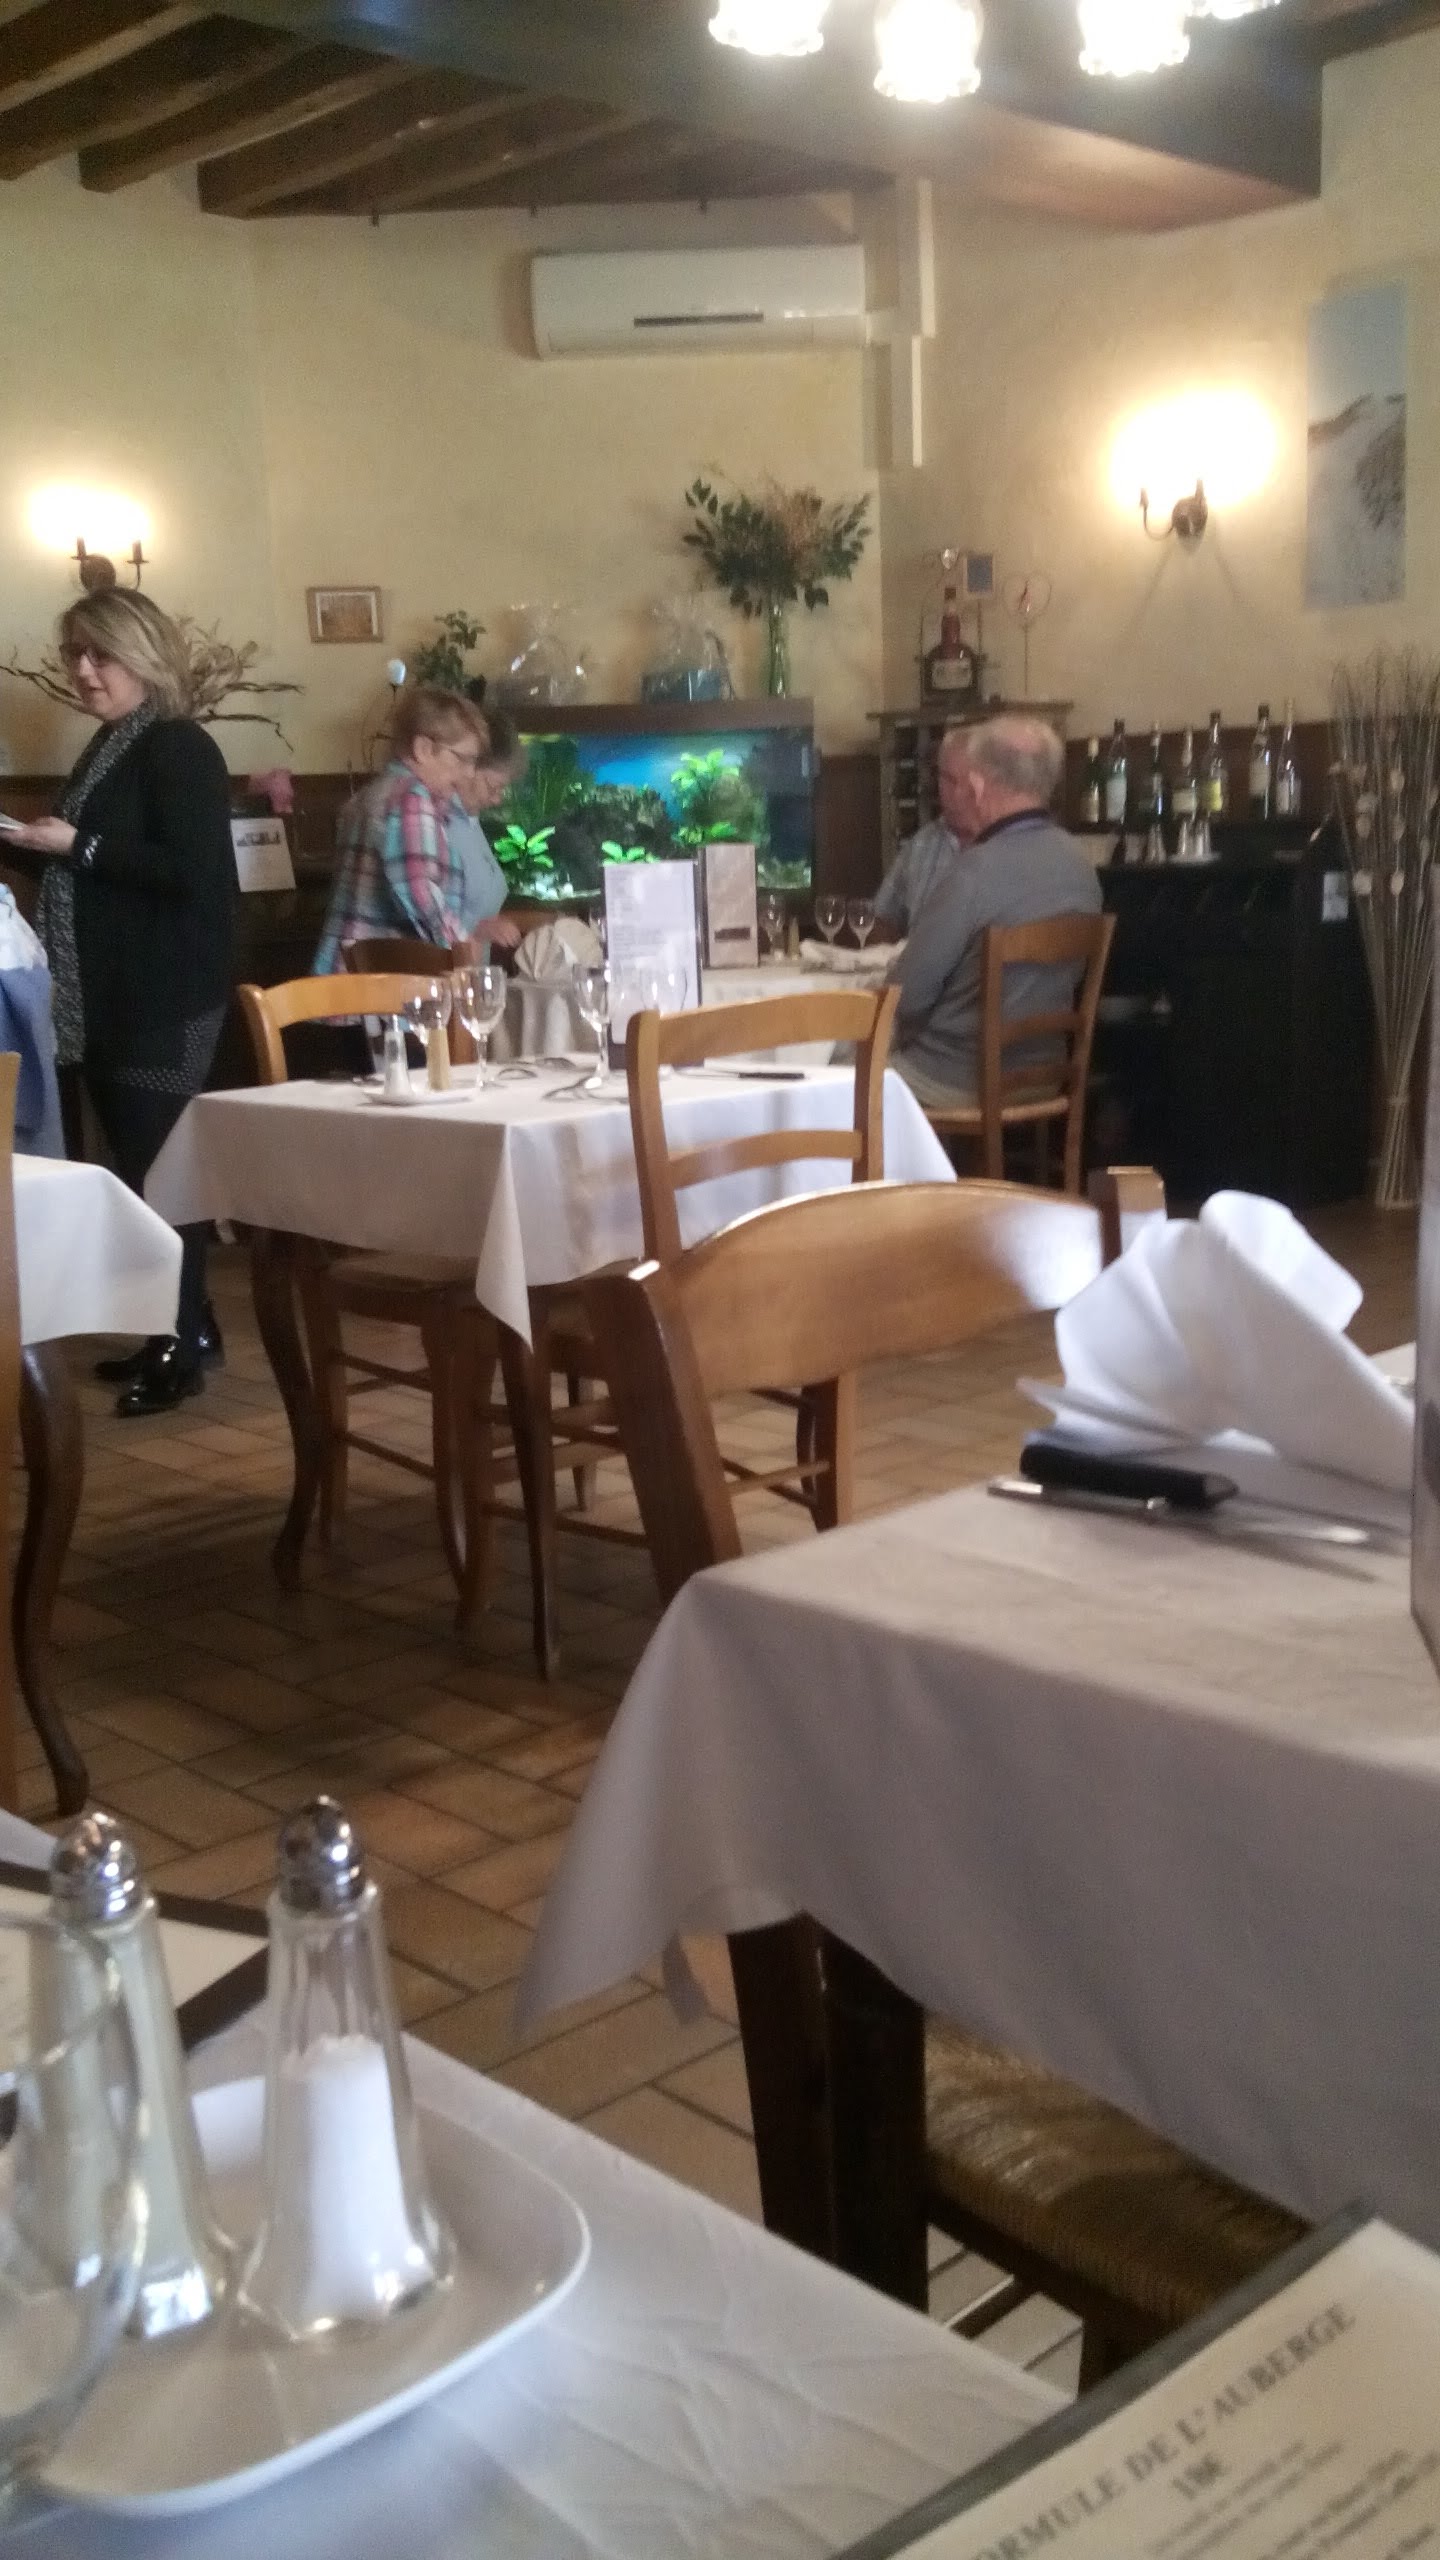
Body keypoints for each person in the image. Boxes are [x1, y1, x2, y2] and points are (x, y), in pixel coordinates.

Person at [1, 590, 234, 1416]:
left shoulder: (179, 746)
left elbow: (194, 876)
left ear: (144, 654)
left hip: (164, 993)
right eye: (75, 654)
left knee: (164, 1172)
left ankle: (179, 1346)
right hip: (110, 992)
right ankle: (187, 1324)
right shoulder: (113, 745)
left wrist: (79, 844)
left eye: (100, 654)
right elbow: (92, 871)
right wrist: (26, 845)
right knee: (138, 1170)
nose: (84, 670)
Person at [887, 716, 1101, 1107]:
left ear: (977, 786)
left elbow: (903, 996)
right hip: (1046, 1071)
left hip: (956, 1077)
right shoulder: (1080, 864)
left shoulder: (973, 872)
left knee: (830, 1076)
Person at [314, 683, 490, 970]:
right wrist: (462, 949)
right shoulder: (411, 799)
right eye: (463, 759)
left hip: (345, 979)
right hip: (377, 987)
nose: (469, 773)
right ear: (423, 749)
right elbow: (421, 893)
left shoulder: (371, 795)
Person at [872, 725, 976, 937]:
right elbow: (882, 917)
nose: (957, 793)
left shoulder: (1009, 846)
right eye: (948, 779)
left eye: (967, 781)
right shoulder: (922, 843)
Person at [445, 704, 523, 950]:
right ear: (469, 767)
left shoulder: (471, 820)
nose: (497, 799)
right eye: (493, 786)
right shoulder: (438, 821)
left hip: (472, 966)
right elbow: (424, 917)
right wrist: (476, 928)